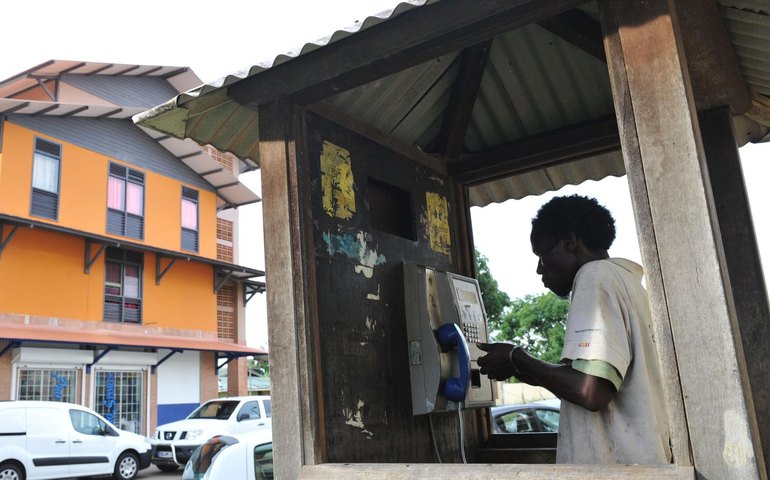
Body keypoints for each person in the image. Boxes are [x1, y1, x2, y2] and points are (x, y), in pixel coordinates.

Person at [477, 194, 671, 465]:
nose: (538, 269)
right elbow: (591, 380)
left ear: (569, 241)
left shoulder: (594, 277)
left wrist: (516, 357)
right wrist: (523, 369)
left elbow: (590, 390)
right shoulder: (626, 281)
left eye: (543, 254)